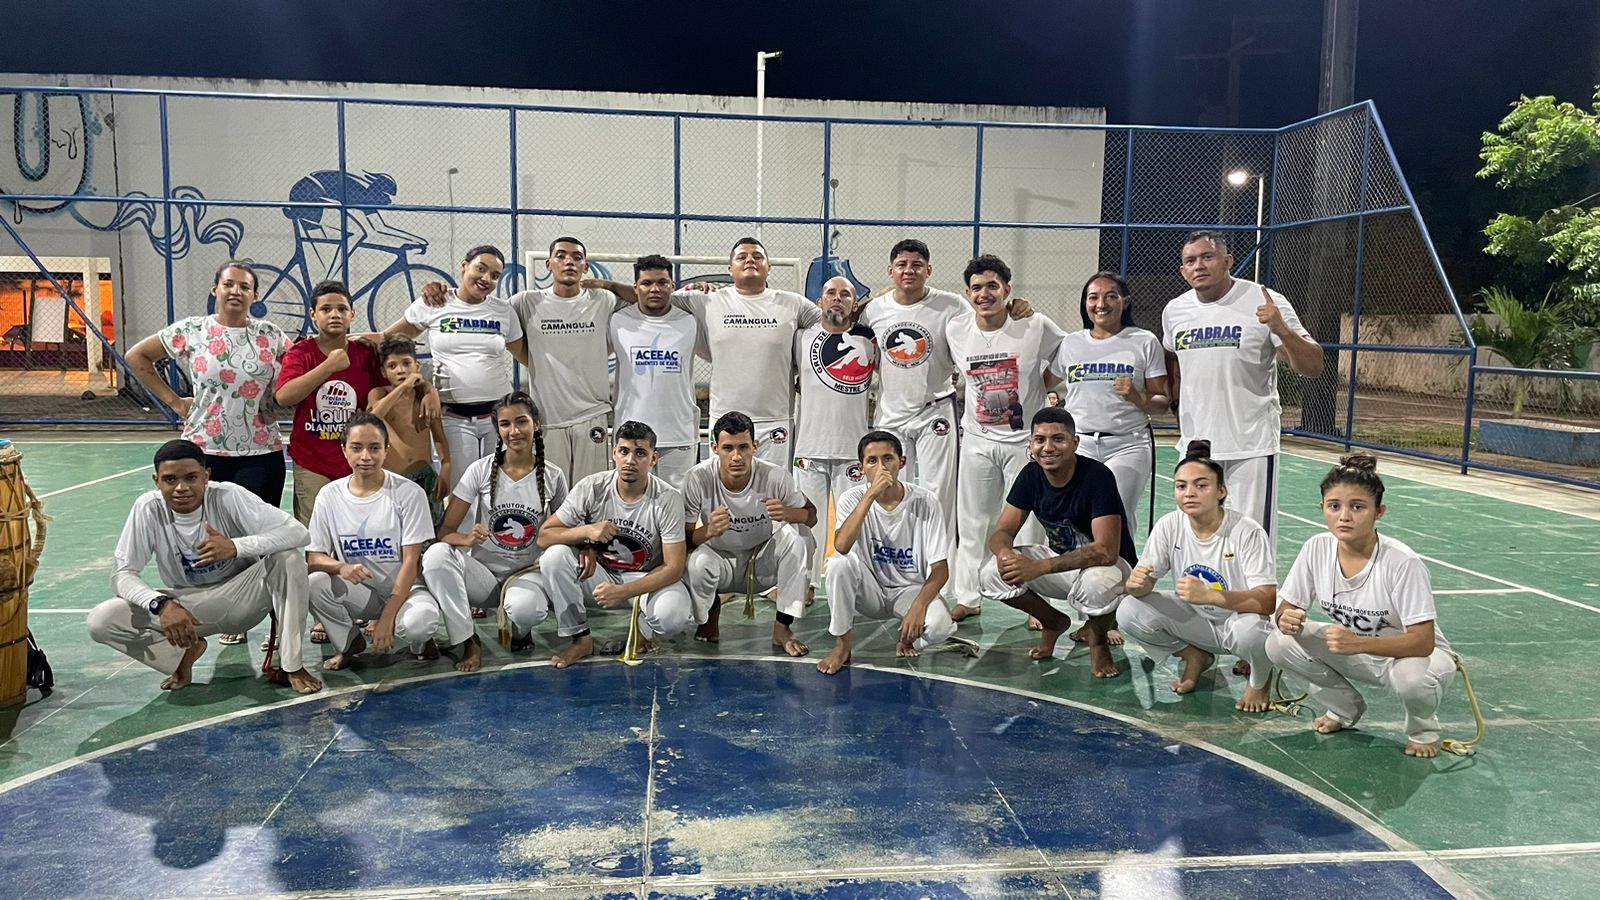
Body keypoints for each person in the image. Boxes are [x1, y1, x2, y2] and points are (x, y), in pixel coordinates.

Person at [125, 260, 292, 646]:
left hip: (260, 453)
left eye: (244, 286)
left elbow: (306, 364)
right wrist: (174, 402)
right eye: (229, 284)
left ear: (255, 294)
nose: (236, 291)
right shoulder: (191, 331)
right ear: (215, 289)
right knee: (214, 539)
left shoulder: (272, 336)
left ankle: (278, 623)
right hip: (204, 453)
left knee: (263, 541)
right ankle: (232, 616)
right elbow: (137, 357)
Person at [87, 439, 321, 694]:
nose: (181, 488)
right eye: (170, 480)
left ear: (206, 476)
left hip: (242, 599)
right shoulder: (148, 508)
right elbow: (122, 574)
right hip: (186, 609)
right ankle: (181, 656)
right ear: (156, 481)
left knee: (288, 559)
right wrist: (161, 604)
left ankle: (292, 665)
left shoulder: (228, 496)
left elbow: (298, 533)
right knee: (102, 620)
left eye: (191, 477)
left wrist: (235, 546)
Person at [1267, 455, 1458, 758]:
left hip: (1413, 657)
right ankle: (1343, 709)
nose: (1344, 516)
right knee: (1278, 643)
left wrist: (1358, 643)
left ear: (1379, 512)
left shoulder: (1402, 562)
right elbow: (1286, 607)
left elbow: (1423, 642)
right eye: (1334, 506)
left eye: (1357, 507)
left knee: (1412, 679)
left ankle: (1423, 730)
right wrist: (1285, 618)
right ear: (1322, 508)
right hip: (1357, 650)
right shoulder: (1316, 548)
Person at [594, 238, 823, 466]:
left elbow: (829, 329)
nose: (750, 260)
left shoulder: (793, 304)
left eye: (757, 256)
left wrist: (808, 372)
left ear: (769, 267)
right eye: (742, 257)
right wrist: (608, 286)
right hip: (724, 417)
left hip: (775, 418)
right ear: (730, 268)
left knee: (774, 486)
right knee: (724, 484)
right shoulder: (706, 300)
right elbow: (652, 297)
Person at [1162, 231, 1322, 548]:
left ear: (1227, 261)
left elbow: (1313, 366)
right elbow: (1175, 363)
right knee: (1197, 539)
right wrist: (1179, 406)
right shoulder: (1174, 311)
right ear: (1183, 271)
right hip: (1196, 445)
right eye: (1190, 261)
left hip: (1250, 446)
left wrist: (1281, 329)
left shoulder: (1265, 301)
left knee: (1252, 542)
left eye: (1207, 257)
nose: (1199, 266)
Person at [430, 237, 623, 482]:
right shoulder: (524, 302)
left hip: (592, 414)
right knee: (551, 493)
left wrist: (608, 284)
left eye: (577, 258)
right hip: (548, 417)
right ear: (548, 264)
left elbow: (643, 296)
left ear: (585, 266)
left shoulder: (604, 299)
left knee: (592, 489)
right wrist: (441, 292)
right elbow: (483, 310)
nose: (569, 262)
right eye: (561, 256)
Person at [945, 254, 1066, 622]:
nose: (984, 294)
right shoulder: (956, 329)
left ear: (1007, 290)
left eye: (992, 286)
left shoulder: (1034, 325)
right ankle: (968, 595)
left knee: (1031, 525)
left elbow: (1065, 357)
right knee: (973, 522)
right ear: (968, 293)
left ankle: (1035, 602)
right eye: (977, 288)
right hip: (978, 441)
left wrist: (1042, 385)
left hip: (1024, 444)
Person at [1118, 441, 1276, 712]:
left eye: (1201, 486)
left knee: (1251, 631)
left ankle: (1260, 681)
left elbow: (1267, 601)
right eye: (1181, 486)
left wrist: (1212, 596)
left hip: (1238, 622)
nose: (1189, 493)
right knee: (1128, 610)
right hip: (1197, 622)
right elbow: (1143, 586)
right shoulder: (1170, 524)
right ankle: (1195, 656)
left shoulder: (1246, 531)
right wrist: (1135, 585)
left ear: (1221, 491)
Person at [979, 407, 1137, 677]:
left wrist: (1038, 567)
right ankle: (1053, 622)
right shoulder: (1031, 475)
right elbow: (1002, 531)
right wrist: (1005, 554)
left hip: (1113, 569)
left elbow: (1106, 551)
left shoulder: (1097, 476)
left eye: (1058, 439)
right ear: (1030, 444)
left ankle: (1098, 641)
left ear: (1074, 443)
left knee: (1096, 584)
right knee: (991, 574)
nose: (1048, 448)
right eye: (1040, 440)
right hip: (1065, 566)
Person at [422, 392, 568, 669]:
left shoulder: (553, 475)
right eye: (505, 424)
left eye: (521, 421)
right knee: (436, 555)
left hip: (527, 575)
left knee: (526, 610)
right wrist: (466, 539)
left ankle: (521, 630)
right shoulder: (479, 470)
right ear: (497, 429)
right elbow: (445, 531)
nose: (514, 431)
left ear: (536, 424)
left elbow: (567, 530)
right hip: (484, 578)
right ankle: (468, 640)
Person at [537, 420, 691, 668]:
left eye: (640, 453)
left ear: (654, 458)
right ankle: (580, 639)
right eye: (624, 451)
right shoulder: (592, 487)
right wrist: (586, 532)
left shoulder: (667, 498)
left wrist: (623, 591)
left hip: (645, 578)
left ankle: (643, 630)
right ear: (613, 453)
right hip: (600, 576)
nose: (630, 460)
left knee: (672, 617)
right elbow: (545, 536)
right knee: (554, 557)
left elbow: (674, 568)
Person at [370, 245, 526, 488]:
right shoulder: (435, 302)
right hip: (454, 417)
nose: (486, 278)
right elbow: (385, 338)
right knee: (461, 492)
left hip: (498, 417)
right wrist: (337, 341)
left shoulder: (503, 311)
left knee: (499, 490)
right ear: (464, 266)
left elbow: (528, 357)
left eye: (495, 275)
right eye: (481, 269)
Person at [306, 412, 443, 670]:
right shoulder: (329, 495)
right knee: (314, 583)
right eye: (356, 448)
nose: (365, 456)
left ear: (386, 450)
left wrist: (387, 617)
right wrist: (341, 567)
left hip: (406, 590)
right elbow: (314, 557)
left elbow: (412, 561)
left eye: (374, 448)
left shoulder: (409, 493)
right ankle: (349, 644)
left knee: (419, 623)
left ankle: (420, 642)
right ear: (344, 450)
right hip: (363, 593)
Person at [817, 431, 960, 675]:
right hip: (869, 590)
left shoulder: (926, 501)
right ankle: (842, 645)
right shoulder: (852, 498)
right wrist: (870, 495)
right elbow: (841, 546)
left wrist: (918, 606)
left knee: (939, 628)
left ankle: (909, 638)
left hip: (909, 590)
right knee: (838, 564)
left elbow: (940, 569)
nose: (881, 467)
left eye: (888, 459)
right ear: (861, 468)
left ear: (901, 462)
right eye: (872, 461)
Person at [855, 240, 968, 540]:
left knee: (939, 493)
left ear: (929, 270)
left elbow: (981, 327)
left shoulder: (952, 305)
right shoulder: (874, 310)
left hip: (935, 411)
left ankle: (941, 561)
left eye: (917, 265)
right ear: (890, 270)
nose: (909, 270)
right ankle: (892, 552)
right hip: (891, 413)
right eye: (902, 265)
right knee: (888, 489)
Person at [683, 412, 817, 656]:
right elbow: (685, 539)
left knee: (801, 538)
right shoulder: (698, 477)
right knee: (696, 561)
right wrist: (708, 531)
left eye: (743, 447)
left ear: (755, 446)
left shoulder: (775, 476)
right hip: (720, 561)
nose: (736, 457)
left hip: (762, 562)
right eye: (728, 448)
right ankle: (710, 613)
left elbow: (812, 516)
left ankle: (782, 628)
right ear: (714, 448)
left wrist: (788, 513)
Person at [1054, 272, 1169, 540]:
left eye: (1110, 296)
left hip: (1127, 444)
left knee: (1116, 514)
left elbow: (1162, 403)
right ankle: (1081, 567)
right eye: (1093, 297)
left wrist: (1137, 397)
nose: (1101, 304)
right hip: (1080, 444)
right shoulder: (1071, 343)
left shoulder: (1143, 341)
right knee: (1077, 515)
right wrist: (1050, 396)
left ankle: (1122, 565)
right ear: (1085, 302)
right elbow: (1045, 380)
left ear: (1124, 301)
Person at [793, 275, 878, 595]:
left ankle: (853, 584)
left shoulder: (870, 341)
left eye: (845, 294)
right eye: (831, 293)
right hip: (809, 448)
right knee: (807, 525)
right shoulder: (800, 338)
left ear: (855, 305)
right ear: (820, 302)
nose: (837, 298)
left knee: (853, 525)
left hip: (852, 450)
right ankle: (806, 583)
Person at [275, 280, 385, 527]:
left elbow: (386, 387)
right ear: (313, 314)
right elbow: (284, 396)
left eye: (342, 309)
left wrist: (425, 390)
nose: (335, 314)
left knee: (359, 529)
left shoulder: (366, 353)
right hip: (312, 463)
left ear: (352, 314)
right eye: (326, 309)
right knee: (316, 533)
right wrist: (329, 366)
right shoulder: (301, 353)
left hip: (358, 461)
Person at [609, 255, 705, 489]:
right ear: (635, 288)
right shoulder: (618, 321)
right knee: (630, 501)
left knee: (677, 503)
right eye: (647, 283)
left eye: (662, 282)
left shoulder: (691, 321)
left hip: (679, 434)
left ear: (672, 285)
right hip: (630, 437)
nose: (655, 289)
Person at [368, 336, 451, 523]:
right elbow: (373, 417)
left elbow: (439, 437)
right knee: (394, 528)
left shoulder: (425, 399)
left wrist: (446, 467)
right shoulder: (379, 393)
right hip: (392, 479)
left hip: (425, 476)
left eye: (406, 363)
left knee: (430, 528)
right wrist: (405, 386)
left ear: (417, 366)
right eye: (392, 366)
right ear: (383, 372)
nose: (401, 370)